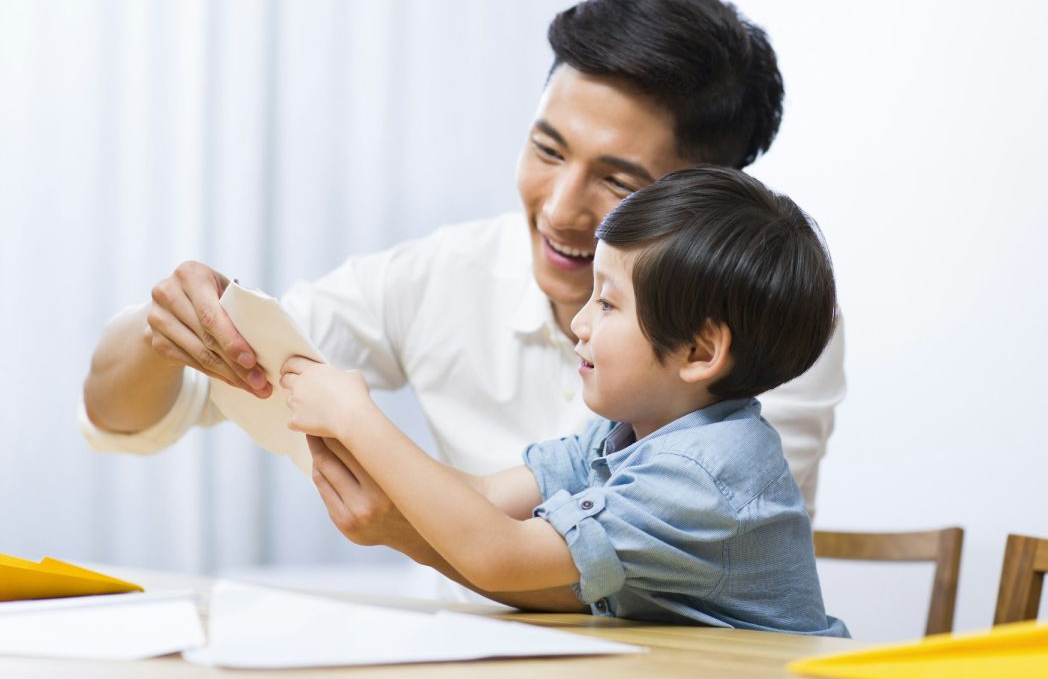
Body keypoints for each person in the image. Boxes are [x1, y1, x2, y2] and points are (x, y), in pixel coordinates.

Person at [80, 0, 846, 605]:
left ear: (705, 203)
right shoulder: (594, 420)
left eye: (619, 181)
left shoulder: (757, 340)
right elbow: (148, 407)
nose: (559, 207)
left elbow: (563, 572)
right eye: (547, 149)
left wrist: (370, 449)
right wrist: (169, 327)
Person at [281, 166, 848, 635]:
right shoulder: (627, 434)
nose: (579, 322)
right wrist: (378, 482)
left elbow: (501, 553)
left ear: (699, 351)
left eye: (607, 303)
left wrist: (359, 421)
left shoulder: (706, 471)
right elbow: (483, 496)